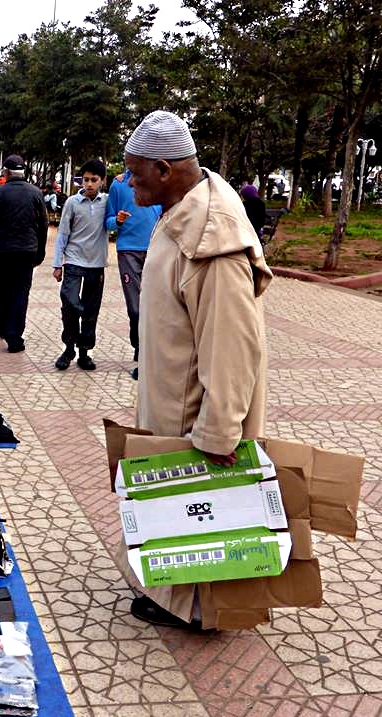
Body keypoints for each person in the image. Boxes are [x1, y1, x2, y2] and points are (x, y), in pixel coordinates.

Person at [123, 110, 273, 629]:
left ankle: (198, 610)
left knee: (202, 503)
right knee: (178, 505)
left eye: (135, 172)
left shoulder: (214, 239)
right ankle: (175, 596)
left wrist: (219, 430)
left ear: (165, 170)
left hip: (196, 410)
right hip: (172, 394)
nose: (128, 182)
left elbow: (232, 347)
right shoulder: (182, 208)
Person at [0, 155, 47, 353]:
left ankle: (3, 327)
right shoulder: (36, 193)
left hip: (3, 251)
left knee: (4, 290)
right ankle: (15, 336)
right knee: (21, 293)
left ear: (6, 173)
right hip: (27, 252)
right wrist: (40, 252)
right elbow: (43, 226)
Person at [105, 168, 162, 380]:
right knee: (136, 309)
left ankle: (150, 356)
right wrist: (117, 221)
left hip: (157, 248)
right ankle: (140, 351)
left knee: (156, 307)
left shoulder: (158, 179)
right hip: (128, 250)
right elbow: (108, 222)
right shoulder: (119, 185)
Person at [53, 160, 108, 371]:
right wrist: (58, 264)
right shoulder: (72, 203)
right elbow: (63, 234)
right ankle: (68, 348)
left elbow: (130, 192)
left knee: (91, 310)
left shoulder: (108, 202)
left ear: (102, 181)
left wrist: (124, 177)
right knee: (69, 304)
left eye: (94, 180)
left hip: (96, 264)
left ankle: (84, 352)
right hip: (74, 261)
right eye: (86, 180)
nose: (89, 184)